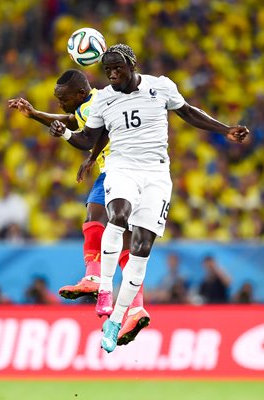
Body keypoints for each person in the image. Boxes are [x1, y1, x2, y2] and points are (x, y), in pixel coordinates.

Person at [49, 44, 249, 353]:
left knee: (141, 247)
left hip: (157, 174)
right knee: (116, 214)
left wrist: (224, 130)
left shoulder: (161, 86)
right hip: (122, 167)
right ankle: (104, 289)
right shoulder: (103, 98)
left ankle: (117, 319)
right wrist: (65, 135)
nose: (113, 74)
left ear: (132, 65)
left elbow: (188, 112)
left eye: (118, 68)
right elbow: (91, 137)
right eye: (108, 71)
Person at [8, 69, 150, 345]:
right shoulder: (94, 102)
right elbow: (74, 119)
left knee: (96, 217)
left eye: (62, 98)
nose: (59, 103)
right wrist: (35, 114)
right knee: (121, 238)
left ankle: (95, 277)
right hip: (139, 171)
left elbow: (92, 133)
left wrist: (90, 156)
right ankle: (135, 306)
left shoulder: (96, 103)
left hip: (120, 169)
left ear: (79, 94)